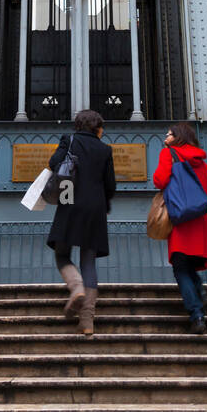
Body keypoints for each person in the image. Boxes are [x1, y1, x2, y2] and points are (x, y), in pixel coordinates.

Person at [153, 122, 207, 333]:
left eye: (168, 135)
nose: (165, 138)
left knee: (180, 267)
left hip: (181, 219)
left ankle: (196, 315)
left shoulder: (168, 154)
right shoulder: (201, 162)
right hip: (201, 221)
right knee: (189, 266)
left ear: (178, 138)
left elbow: (159, 180)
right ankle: (199, 291)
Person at [47, 109, 116, 338]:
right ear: (97, 127)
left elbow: (54, 163)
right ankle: (87, 321)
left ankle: (75, 287)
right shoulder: (105, 149)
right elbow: (111, 185)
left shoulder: (70, 140)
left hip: (70, 201)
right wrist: (103, 204)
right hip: (95, 208)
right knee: (89, 261)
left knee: (62, 254)